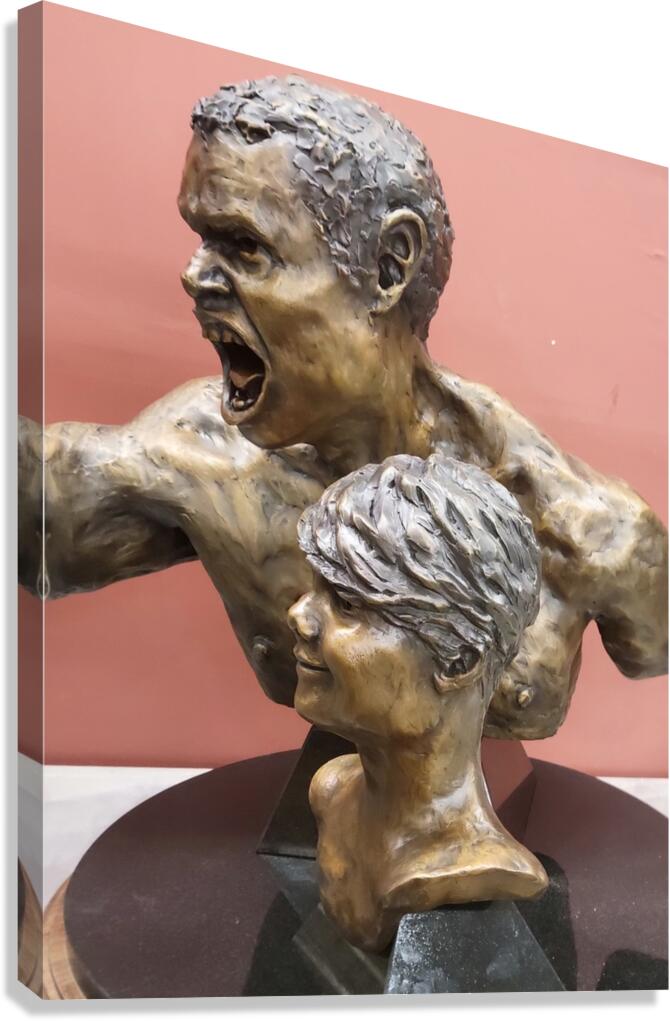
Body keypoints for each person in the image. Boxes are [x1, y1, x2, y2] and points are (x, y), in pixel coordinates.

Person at [18, 75, 667, 736]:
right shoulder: (196, 457)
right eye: (201, 237)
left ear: (389, 264)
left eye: (245, 246)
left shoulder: (590, 530)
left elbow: (653, 646)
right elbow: (42, 513)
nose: (194, 276)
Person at [288, 453, 548, 952]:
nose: (298, 615)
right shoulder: (331, 789)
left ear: (458, 660)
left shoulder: (476, 867)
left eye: (347, 603)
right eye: (314, 589)